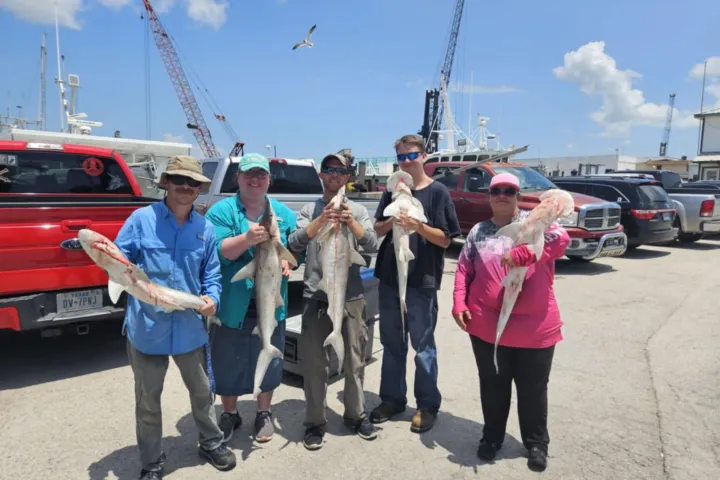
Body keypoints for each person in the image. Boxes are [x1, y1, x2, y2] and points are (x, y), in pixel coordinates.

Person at [114, 155, 236, 480]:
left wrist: (213, 299)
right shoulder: (140, 220)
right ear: (165, 182)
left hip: (189, 330)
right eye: (178, 180)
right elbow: (116, 262)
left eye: (192, 182)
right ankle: (152, 461)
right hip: (146, 329)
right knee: (148, 401)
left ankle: (211, 442)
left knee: (201, 393)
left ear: (199, 189)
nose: (185, 187)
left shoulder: (205, 228)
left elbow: (211, 275)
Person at [451, 172, 569, 472]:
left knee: (533, 389)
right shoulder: (479, 231)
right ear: (489, 196)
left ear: (518, 196)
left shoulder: (536, 223)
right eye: (496, 191)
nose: (502, 195)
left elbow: (561, 241)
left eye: (509, 191)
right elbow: (464, 268)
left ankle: (536, 443)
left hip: (535, 328)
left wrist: (528, 251)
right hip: (487, 327)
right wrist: (459, 302)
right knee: (492, 386)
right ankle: (491, 437)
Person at [287, 152, 379, 450]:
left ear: (348, 176)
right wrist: (321, 220)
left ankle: (356, 414)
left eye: (341, 171)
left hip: (351, 295)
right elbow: (294, 243)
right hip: (316, 295)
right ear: (321, 175)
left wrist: (352, 224)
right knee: (315, 364)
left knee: (355, 359)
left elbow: (372, 245)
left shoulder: (359, 211)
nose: (335, 175)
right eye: (329, 169)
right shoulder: (308, 209)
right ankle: (315, 422)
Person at [370, 134, 461, 433]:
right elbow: (377, 229)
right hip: (389, 277)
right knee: (392, 343)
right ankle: (393, 398)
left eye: (412, 155)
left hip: (422, 279)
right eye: (401, 157)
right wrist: (393, 221)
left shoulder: (438, 193)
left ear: (424, 156)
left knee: (422, 345)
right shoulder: (393, 189)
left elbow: (446, 238)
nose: (407, 161)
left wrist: (418, 227)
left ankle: (427, 405)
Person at [203, 153, 296, 444]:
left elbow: (295, 252)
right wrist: (247, 239)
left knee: (267, 356)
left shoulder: (284, 213)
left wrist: (288, 263)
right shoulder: (220, 211)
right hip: (232, 303)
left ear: (269, 179)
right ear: (238, 178)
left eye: (261, 175)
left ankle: (264, 411)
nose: (255, 180)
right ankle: (229, 412)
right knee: (227, 360)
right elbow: (217, 252)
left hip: (271, 302)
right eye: (248, 174)